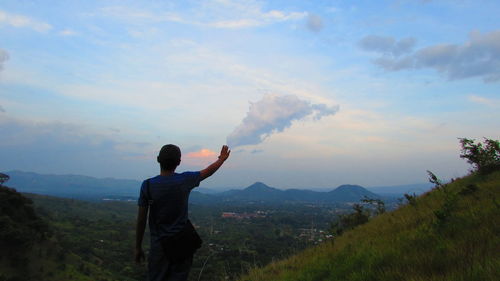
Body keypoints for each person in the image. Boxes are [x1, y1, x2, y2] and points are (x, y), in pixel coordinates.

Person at [135, 144, 230, 281]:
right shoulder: (184, 180)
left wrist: (138, 247)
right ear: (179, 162)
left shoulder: (148, 185)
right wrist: (221, 159)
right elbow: (208, 171)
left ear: (158, 159)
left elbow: (141, 220)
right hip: (182, 245)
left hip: (159, 248)